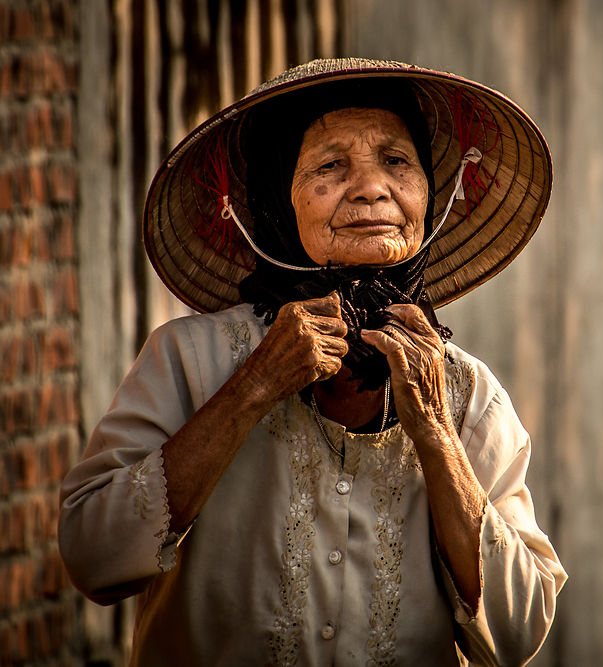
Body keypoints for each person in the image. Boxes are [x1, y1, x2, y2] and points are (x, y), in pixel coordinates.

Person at [59, 58, 566, 666]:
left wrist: (434, 433)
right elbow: (93, 556)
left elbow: (520, 633)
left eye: (396, 161)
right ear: (279, 198)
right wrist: (254, 386)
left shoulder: (464, 392)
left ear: (429, 194)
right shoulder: (192, 360)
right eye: (330, 165)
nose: (371, 188)